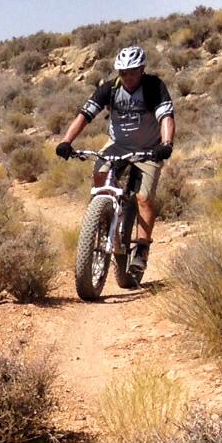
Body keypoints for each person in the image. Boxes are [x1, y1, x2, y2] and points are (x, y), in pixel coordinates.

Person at [55, 45, 175, 278]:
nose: (128, 77)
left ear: (142, 69)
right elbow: (86, 114)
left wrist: (166, 145)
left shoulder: (154, 87)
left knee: (143, 197)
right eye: (123, 73)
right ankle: (100, 220)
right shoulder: (109, 89)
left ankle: (142, 248)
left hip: (149, 148)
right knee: (100, 180)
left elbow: (166, 116)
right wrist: (66, 141)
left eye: (132, 72)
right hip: (117, 145)